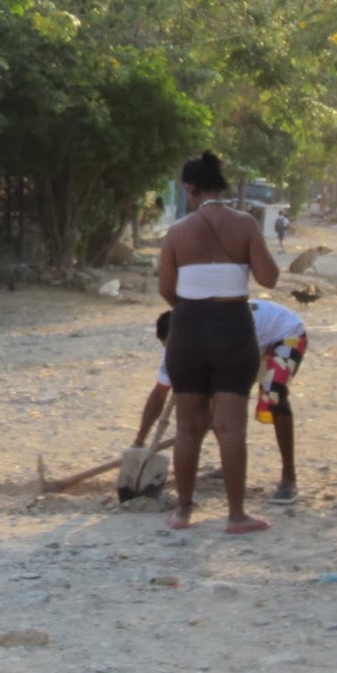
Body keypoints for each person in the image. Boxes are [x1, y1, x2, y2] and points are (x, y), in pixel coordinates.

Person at [157, 151, 279, 533]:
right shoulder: (244, 224)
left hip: (188, 329)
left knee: (187, 427)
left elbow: (166, 289)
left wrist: (192, 314)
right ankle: (236, 515)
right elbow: (269, 279)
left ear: (190, 189)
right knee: (231, 428)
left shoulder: (176, 233)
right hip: (233, 328)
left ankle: (183, 511)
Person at [134, 301, 308, 504]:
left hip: (283, 335)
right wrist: (139, 442)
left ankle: (289, 478)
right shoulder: (175, 350)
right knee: (219, 406)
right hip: (247, 346)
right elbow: (159, 394)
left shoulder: (220, 334)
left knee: (273, 394)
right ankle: (229, 466)